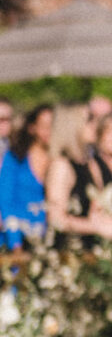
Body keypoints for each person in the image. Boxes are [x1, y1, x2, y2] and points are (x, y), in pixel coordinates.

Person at [46, 105, 112, 248]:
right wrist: (96, 228)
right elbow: (56, 219)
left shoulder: (91, 163)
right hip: (68, 255)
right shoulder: (61, 166)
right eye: (89, 119)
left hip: (93, 251)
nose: (96, 124)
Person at [0, 104, 52, 248]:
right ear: (32, 128)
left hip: (49, 241)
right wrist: (15, 244)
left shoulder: (60, 160)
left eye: (52, 126)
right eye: (44, 126)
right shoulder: (16, 158)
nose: (49, 131)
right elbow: (6, 202)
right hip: (18, 240)